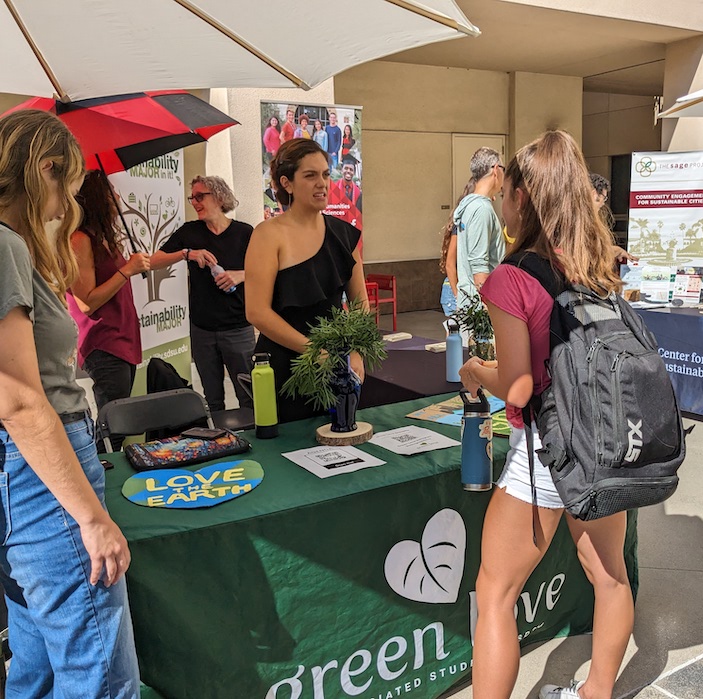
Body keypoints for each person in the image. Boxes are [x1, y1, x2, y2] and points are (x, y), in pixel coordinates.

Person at [459, 130, 633, 699]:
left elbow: (517, 386)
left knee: (496, 593)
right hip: (608, 440)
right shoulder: (598, 265)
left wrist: (478, 372)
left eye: (507, 190)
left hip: (549, 449)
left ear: (522, 197)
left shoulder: (513, 277)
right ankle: (597, 692)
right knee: (609, 577)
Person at [0, 110, 139, 697]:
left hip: (28, 473)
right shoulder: (4, 244)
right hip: (43, 474)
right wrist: (89, 517)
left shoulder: (15, 246)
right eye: (70, 187)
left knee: (37, 666)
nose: (66, 206)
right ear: (46, 169)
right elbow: (20, 400)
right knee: (101, 676)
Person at [245, 138, 369, 423]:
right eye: (310, 175)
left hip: (339, 366)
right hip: (286, 367)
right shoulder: (267, 235)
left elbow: (360, 304)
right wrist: (315, 353)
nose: (322, 183)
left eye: (325, 174)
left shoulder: (344, 234)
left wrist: (357, 351)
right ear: (287, 183)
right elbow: (257, 312)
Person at [151, 176, 255, 413]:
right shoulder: (190, 232)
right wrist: (186, 254)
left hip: (238, 327)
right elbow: (154, 261)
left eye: (200, 197)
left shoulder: (244, 233)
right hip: (202, 330)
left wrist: (240, 275)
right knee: (212, 399)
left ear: (219, 197)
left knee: (249, 396)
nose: (195, 202)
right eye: (192, 198)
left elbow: (267, 270)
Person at [67, 170, 150, 450]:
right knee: (111, 427)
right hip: (103, 342)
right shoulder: (80, 240)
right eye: (110, 191)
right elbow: (86, 302)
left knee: (119, 421)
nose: (117, 196)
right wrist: (127, 270)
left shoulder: (104, 238)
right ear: (96, 199)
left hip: (123, 337)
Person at [454, 147, 505, 307]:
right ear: (496, 170)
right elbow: (479, 266)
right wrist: (489, 309)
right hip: (479, 308)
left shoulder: (470, 206)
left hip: (470, 302)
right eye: (504, 169)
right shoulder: (481, 209)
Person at [440, 182, 474, 316]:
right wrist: (457, 295)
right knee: (456, 335)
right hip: (455, 290)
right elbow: (450, 264)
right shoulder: (459, 226)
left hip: (461, 290)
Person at [327, 154, 363, 228]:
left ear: (354, 172)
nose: (348, 171)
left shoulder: (358, 193)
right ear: (341, 170)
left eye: (351, 169)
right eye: (346, 168)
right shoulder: (333, 189)